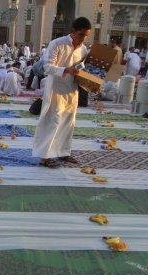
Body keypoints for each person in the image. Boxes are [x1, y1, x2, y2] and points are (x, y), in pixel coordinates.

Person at [33, 17, 91, 168]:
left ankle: (63, 152)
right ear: (73, 31)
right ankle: (45, 156)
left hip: (72, 89)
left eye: (86, 36)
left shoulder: (83, 49)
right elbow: (47, 67)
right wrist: (65, 70)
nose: (82, 38)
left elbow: (82, 68)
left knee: (68, 121)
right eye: (80, 35)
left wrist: (87, 79)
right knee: (53, 120)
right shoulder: (57, 43)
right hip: (55, 88)